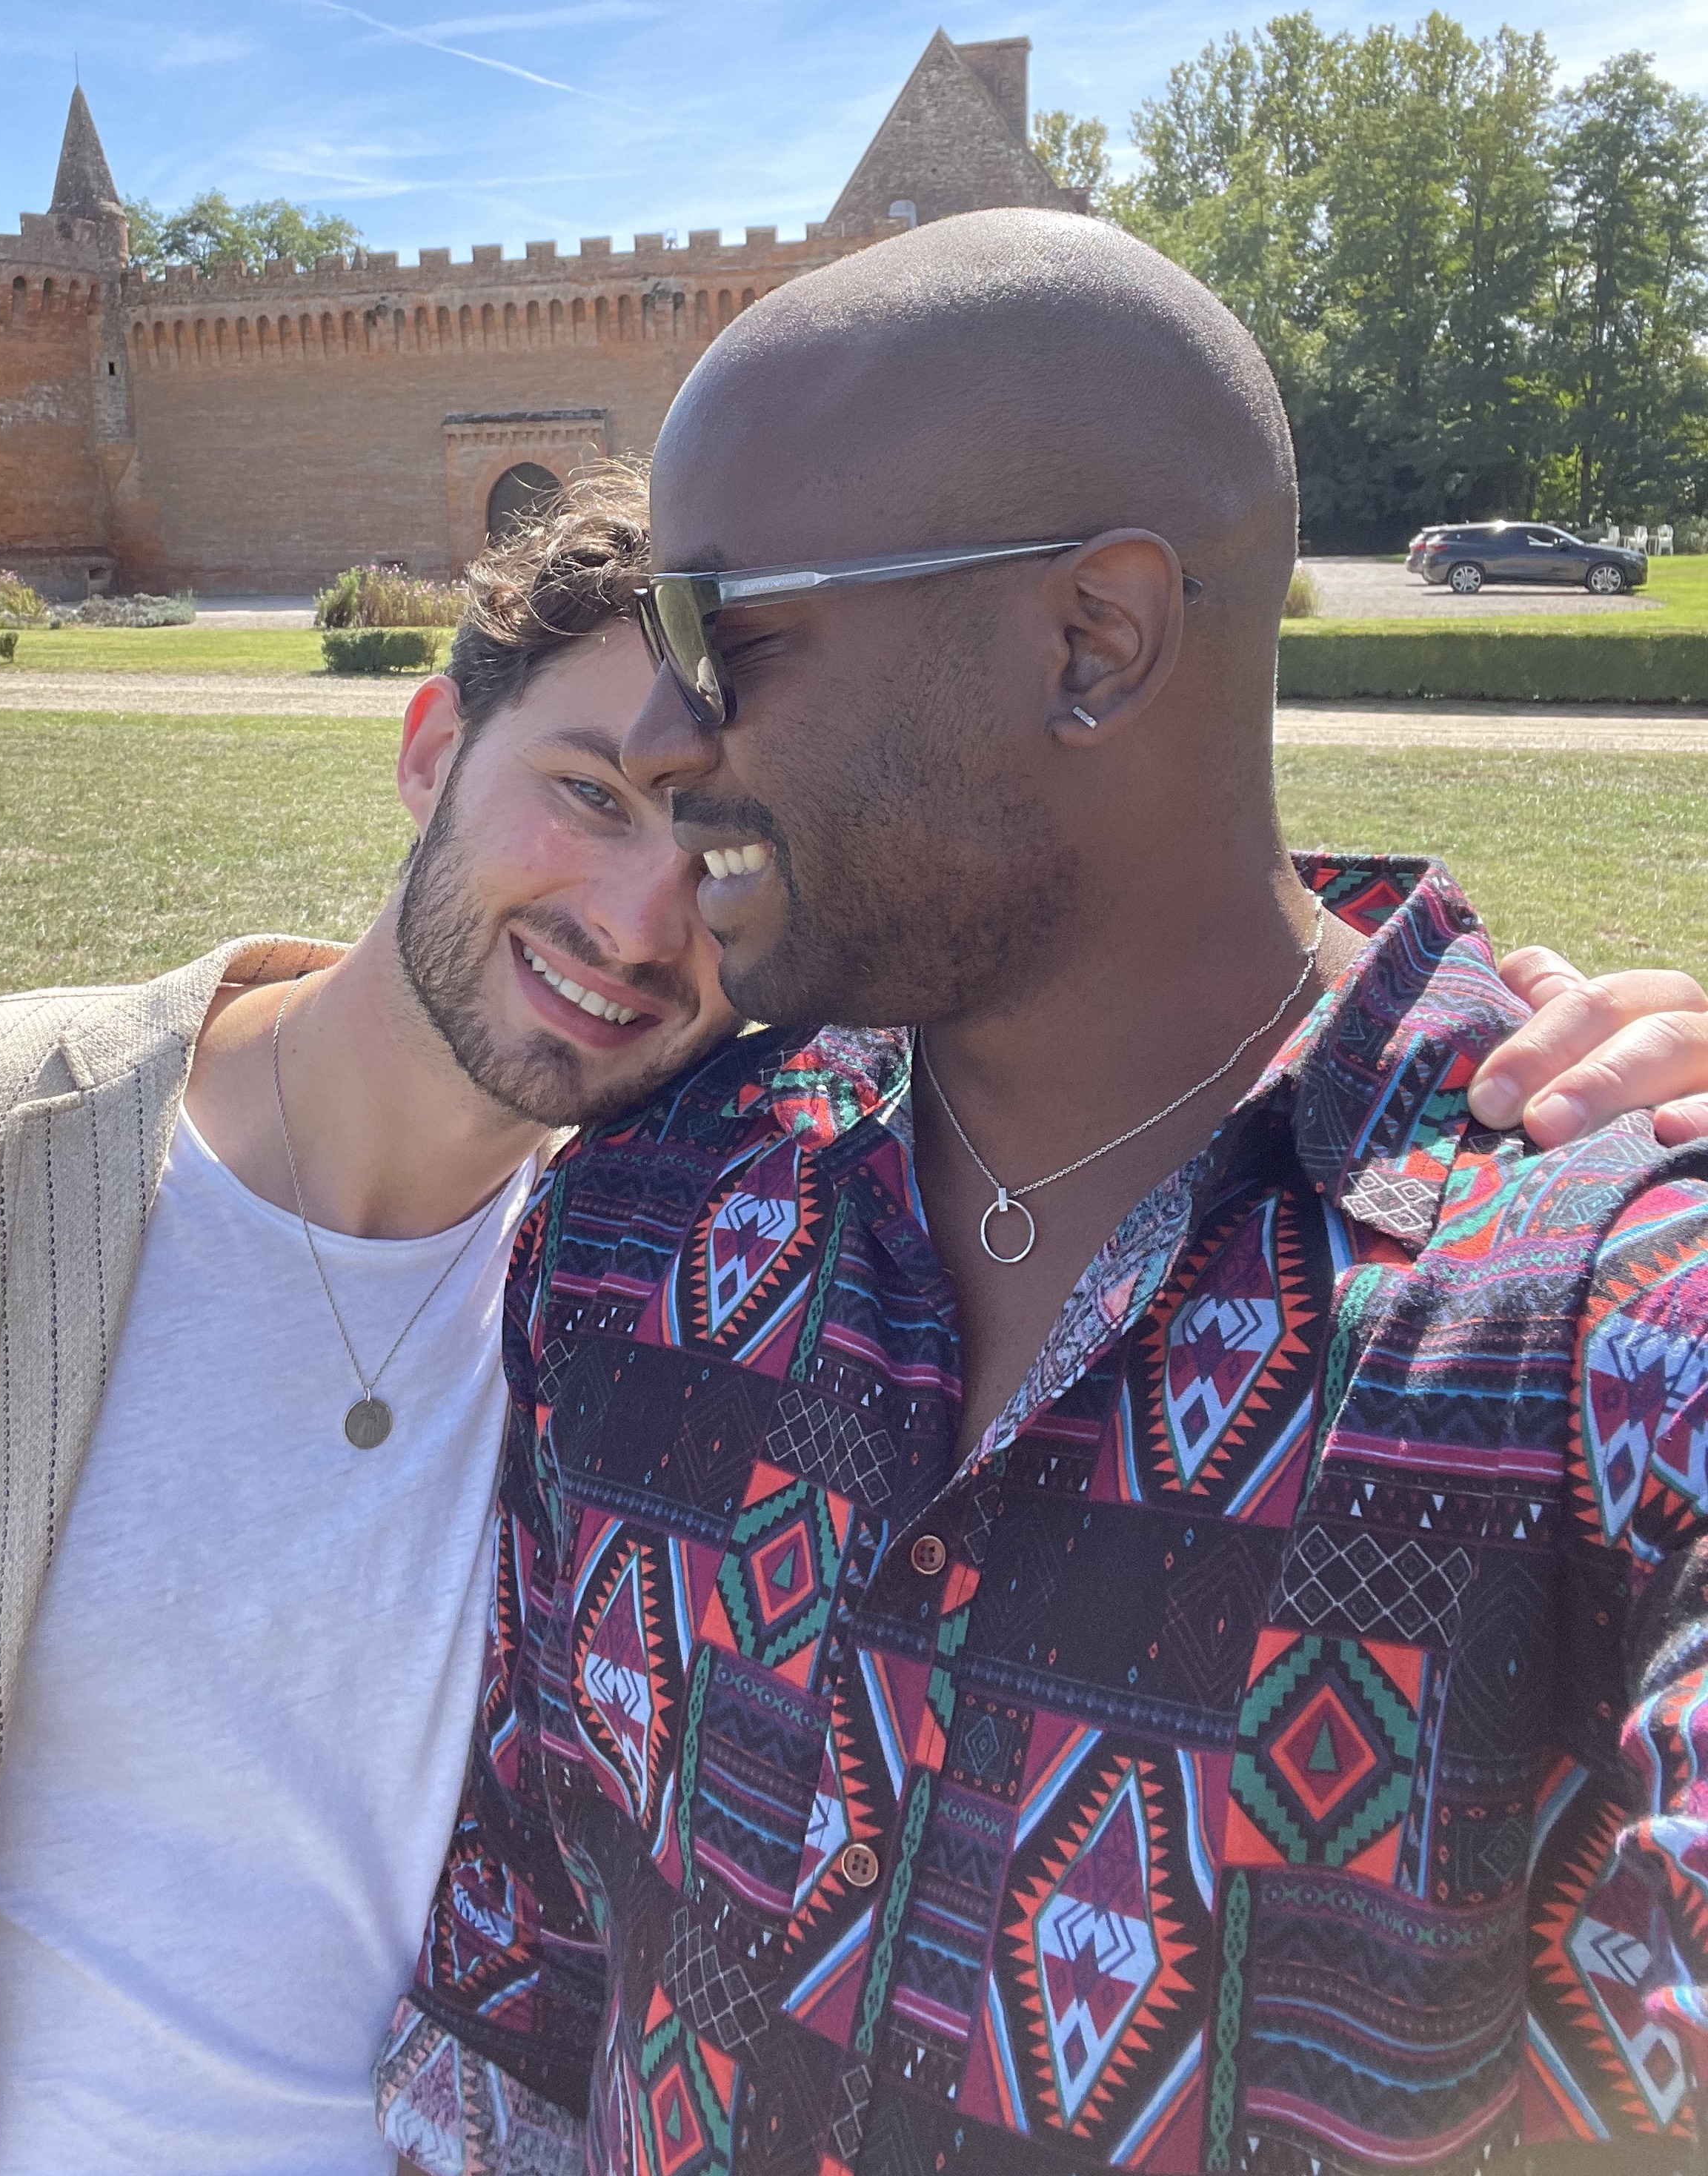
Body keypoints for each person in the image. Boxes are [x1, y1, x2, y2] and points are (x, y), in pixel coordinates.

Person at [0, 473, 1704, 2176]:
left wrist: (1526, 1052)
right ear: (422, 750)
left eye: (729, 849)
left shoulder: (686, 1270)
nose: (644, 921)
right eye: (586, 792)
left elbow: (1151, 955)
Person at [376, 219, 1708, 2176]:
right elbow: (531, 2006)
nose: (674, 740)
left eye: (729, 638)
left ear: (1096, 641)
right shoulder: (641, 1232)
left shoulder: (1602, 1335)